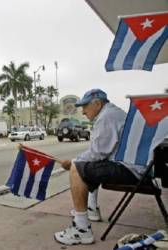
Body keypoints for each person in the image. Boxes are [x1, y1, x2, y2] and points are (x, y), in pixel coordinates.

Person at [54, 89, 144, 246]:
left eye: (85, 106)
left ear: (97, 103)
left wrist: (72, 162)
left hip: (129, 169)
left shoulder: (106, 117)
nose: (83, 111)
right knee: (87, 166)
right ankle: (91, 209)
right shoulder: (112, 113)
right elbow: (100, 153)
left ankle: (82, 231)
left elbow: (97, 152)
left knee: (77, 168)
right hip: (138, 167)